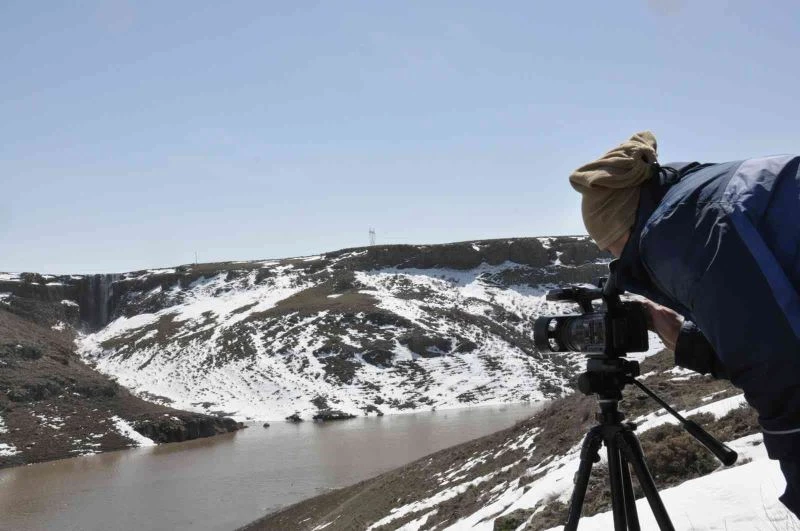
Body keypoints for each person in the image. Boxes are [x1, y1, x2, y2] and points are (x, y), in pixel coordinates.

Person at [569, 131, 800, 518]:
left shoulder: (677, 232)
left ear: (626, 226)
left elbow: (778, 365)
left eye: (610, 248)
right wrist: (679, 334)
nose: (616, 260)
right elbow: (765, 324)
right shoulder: (695, 198)